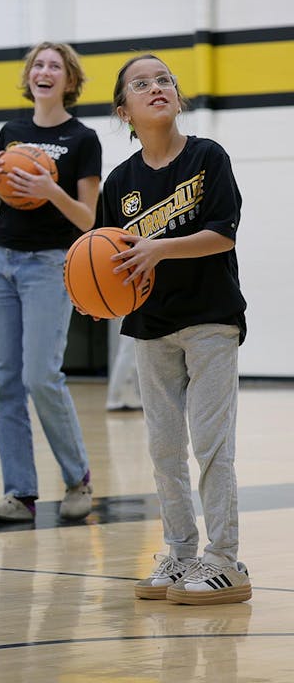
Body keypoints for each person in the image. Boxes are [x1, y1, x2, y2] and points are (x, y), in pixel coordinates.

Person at [102, 53, 250, 604]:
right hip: (151, 325)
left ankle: (225, 560)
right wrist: (95, 294)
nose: (156, 87)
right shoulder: (120, 181)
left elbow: (223, 233)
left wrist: (158, 249)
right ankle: (181, 552)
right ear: (125, 110)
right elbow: (107, 256)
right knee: (164, 448)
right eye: (141, 84)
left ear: (177, 95)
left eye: (164, 79)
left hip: (210, 319)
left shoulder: (208, 157)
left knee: (211, 444)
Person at [0, 41, 100, 523]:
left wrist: (50, 190)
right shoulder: (12, 133)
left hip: (50, 264)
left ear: (69, 80)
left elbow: (88, 219)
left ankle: (77, 479)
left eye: (55, 66)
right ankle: (19, 494)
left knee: (40, 376)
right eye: (38, 65)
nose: (44, 71)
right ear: (30, 76)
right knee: (4, 382)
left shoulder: (83, 139)